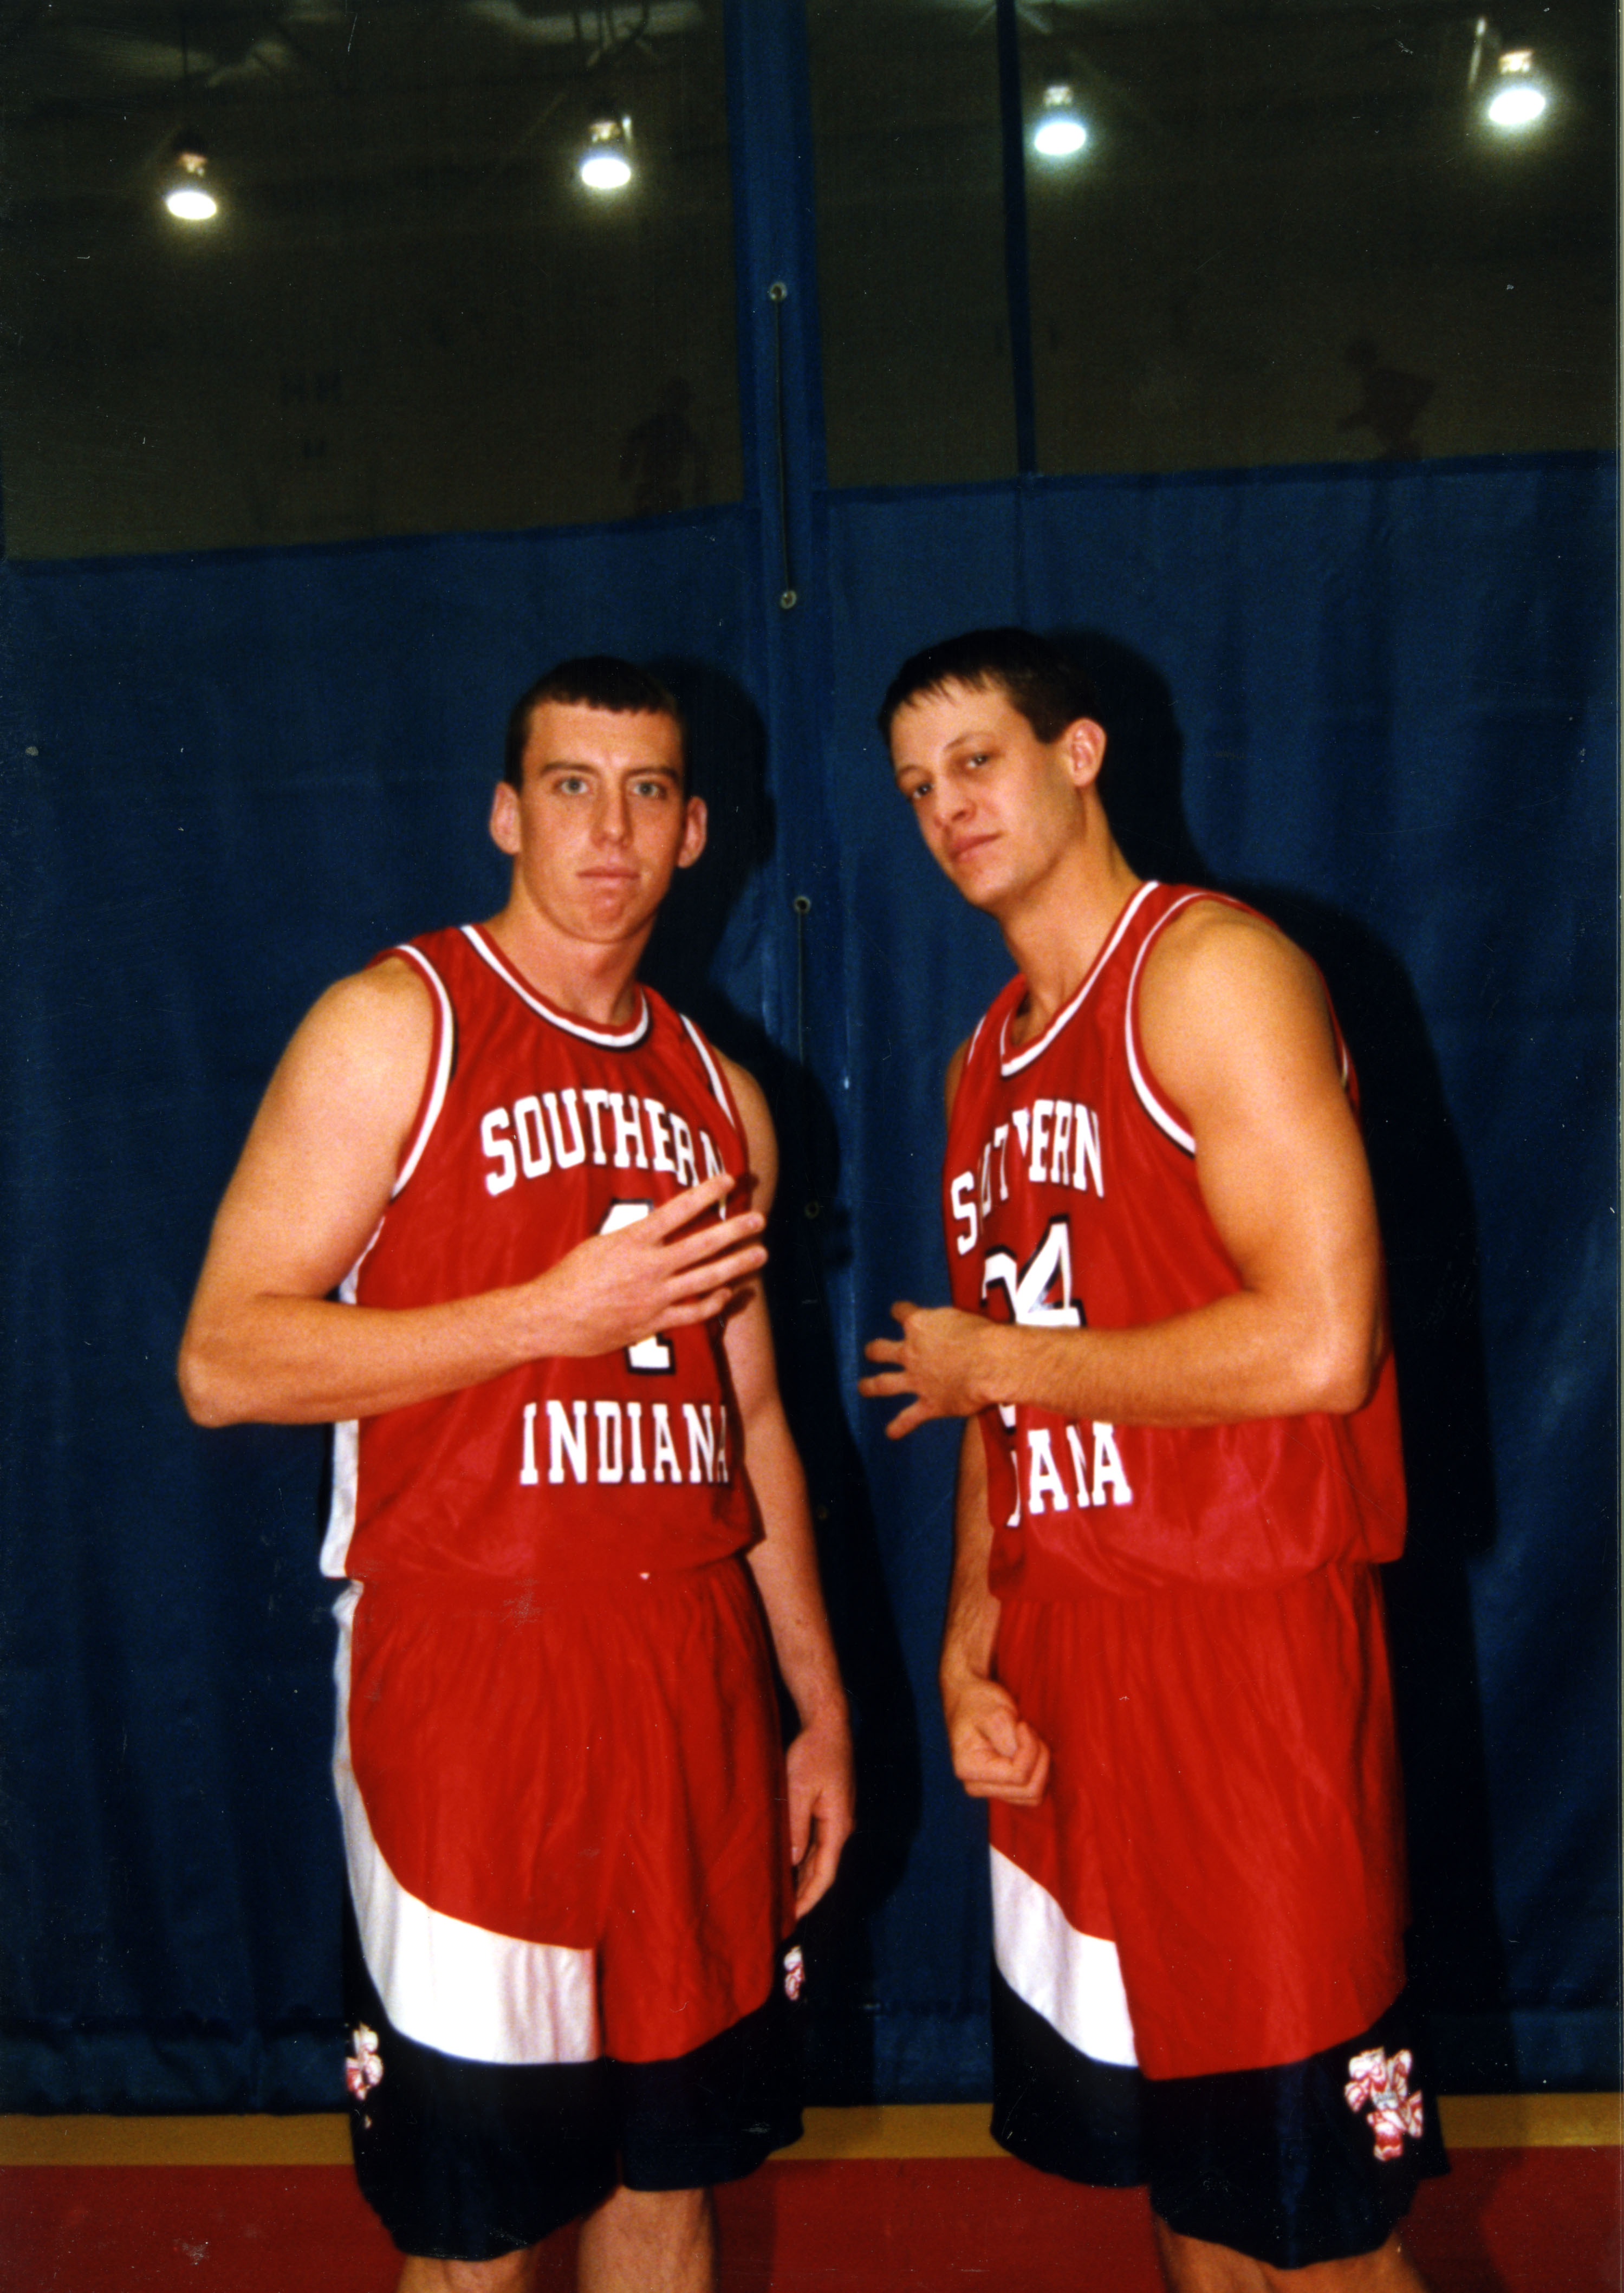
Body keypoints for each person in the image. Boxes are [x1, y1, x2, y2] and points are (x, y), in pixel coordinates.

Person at [179, 657, 853, 2293]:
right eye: (570, 786)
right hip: (470, 1675)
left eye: (646, 791)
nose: (607, 829)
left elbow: (754, 1417)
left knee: (670, 2180)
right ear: (505, 813)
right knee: (478, 2226)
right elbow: (226, 1361)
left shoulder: (723, 1099)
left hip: (690, 1674)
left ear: (696, 831)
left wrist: (818, 1705)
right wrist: (547, 1315)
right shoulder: (394, 1024)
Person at [860, 628, 1445, 2290]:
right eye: (917, 785)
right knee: (1186, 2199)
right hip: (1075, 1659)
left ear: (1081, 753)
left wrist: (1002, 1364)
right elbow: (995, 1403)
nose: (948, 807)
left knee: (1318, 2228)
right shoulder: (981, 1060)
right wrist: (969, 1638)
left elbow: (1323, 1341)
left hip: (1244, 1655)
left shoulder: (1211, 973)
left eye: (978, 760)